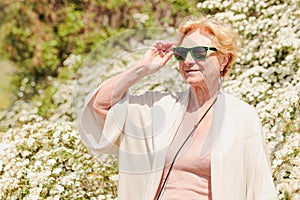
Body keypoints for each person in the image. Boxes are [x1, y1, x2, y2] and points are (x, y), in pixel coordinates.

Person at [80, 16, 278, 200]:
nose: (189, 61)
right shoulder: (161, 106)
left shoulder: (242, 116)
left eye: (199, 52)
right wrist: (143, 68)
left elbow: (260, 186)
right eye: (182, 53)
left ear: (223, 60)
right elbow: (101, 104)